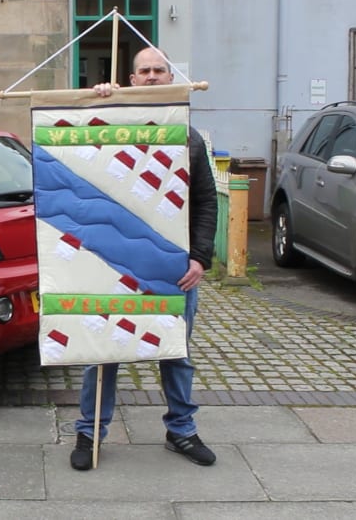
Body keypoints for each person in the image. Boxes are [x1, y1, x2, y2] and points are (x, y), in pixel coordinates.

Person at [71, 47, 218, 470]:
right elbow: (75, 152)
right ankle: (88, 433)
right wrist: (98, 100)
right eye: (144, 71)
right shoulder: (108, 123)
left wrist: (200, 258)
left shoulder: (186, 136)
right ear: (132, 80)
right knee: (104, 351)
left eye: (159, 70)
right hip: (114, 264)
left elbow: (206, 201)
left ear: (169, 78)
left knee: (175, 354)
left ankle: (182, 431)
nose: (152, 77)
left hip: (174, 269)